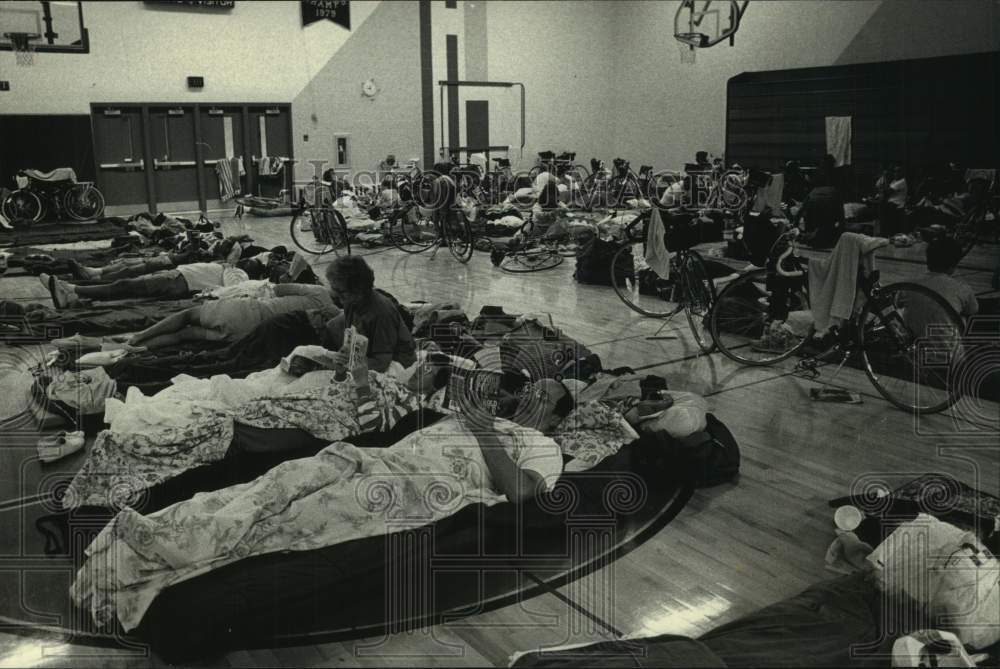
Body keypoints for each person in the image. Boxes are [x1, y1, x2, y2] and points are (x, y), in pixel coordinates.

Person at [70, 378, 566, 632]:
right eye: (525, 388)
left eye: (541, 395)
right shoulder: (479, 418)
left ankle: (173, 555)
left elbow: (522, 494)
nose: (525, 396)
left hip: (411, 489)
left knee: (291, 522)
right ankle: (158, 532)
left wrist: (481, 429)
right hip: (366, 460)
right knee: (270, 484)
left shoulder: (540, 445)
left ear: (553, 415)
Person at [125, 283, 336, 350]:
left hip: (248, 311)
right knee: (186, 336)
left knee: (187, 315)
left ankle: (139, 336)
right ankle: (139, 349)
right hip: (252, 334)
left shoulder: (319, 292)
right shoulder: (335, 318)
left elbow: (279, 288)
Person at [323, 255, 417, 372]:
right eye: (334, 289)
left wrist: (349, 362)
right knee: (331, 328)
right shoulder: (351, 301)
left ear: (358, 290)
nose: (335, 294)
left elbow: (381, 363)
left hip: (397, 363)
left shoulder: (381, 313)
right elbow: (351, 336)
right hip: (368, 353)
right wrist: (344, 353)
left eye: (340, 291)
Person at [40, 260, 249, 309]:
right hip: (174, 278)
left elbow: (233, 290)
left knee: (123, 286)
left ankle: (70, 290)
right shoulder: (230, 268)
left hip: (177, 281)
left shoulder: (239, 273)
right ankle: (76, 293)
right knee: (124, 285)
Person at [914, 237, 979, 318]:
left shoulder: (909, 284)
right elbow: (972, 311)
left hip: (908, 330)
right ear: (953, 265)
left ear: (928, 261)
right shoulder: (963, 289)